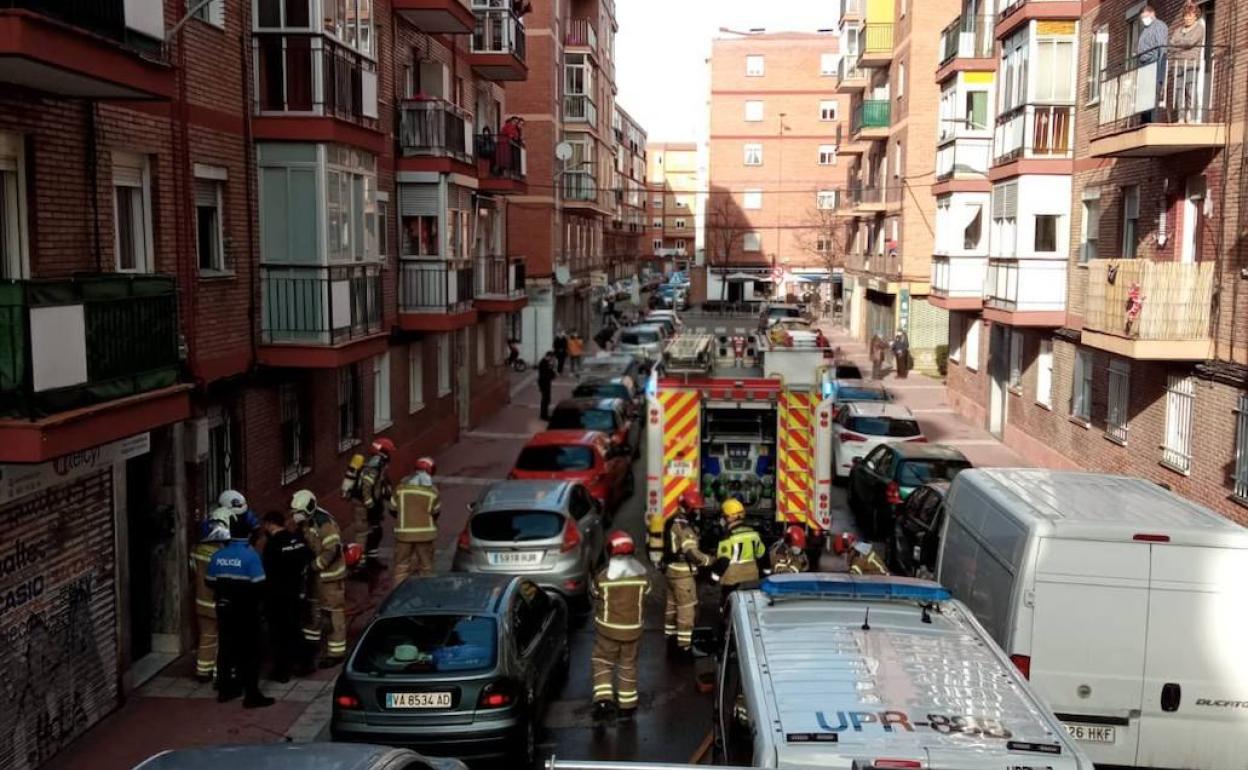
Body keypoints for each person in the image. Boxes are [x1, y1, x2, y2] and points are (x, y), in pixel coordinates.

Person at [205, 511, 274, 708]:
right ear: (249, 535)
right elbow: (260, 585)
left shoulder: (218, 555)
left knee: (226, 650)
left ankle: (225, 691)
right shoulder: (250, 556)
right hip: (247, 612)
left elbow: (209, 581)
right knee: (252, 652)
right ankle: (252, 695)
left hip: (224, 611)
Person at [590, 531, 650, 723]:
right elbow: (647, 591)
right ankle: (627, 705)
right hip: (633, 630)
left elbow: (594, 592)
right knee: (628, 665)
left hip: (607, 630)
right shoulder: (642, 576)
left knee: (603, 663)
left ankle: (603, 702)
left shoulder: (603, 577)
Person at [292, 490, 349, 667]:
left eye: (298, 512)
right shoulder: (307, 522)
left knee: (333, 614)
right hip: (315, 578)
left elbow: (332, 550)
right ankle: (311, 647)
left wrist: (313, 566)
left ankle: (336, 652)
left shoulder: (325, 524)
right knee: (313, 611)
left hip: (330, 578)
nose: (296, 516)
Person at [261, 510, 314, 682]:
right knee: (295, 629)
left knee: (278, 635)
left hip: (277, 597)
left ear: (269, 524)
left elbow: (267, 573)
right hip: (297, 593)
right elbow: (309, 559)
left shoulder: (272, 545)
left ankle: (282, 672)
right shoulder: (297, 540)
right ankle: (306, 662)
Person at [662, 492, 713, 656]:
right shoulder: (685, 527)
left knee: (671, 608)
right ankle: (684, 647)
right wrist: (710, 560)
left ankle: (670, 639)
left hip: (671, 572)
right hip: (683, 575)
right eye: (695, 509)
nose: (697, 512)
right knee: (686, 611)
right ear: (687, 508)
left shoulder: (672, 520)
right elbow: (692, 554)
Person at [190, 514, 231, 683]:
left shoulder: (195, 550)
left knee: (206, 636)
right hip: (217, 603)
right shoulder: (220, 555)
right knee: (224, 638)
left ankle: (202, 671)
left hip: (201, 602)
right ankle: (218, 671)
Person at [710, 498, 767, 610]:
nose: (722, 519)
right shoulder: (754, 534)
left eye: (724, 516)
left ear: (730, 517)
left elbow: (724, 561)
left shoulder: (727, 537)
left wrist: (713, 578)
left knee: (728, 607)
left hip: (732, 580)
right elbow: (763, 556)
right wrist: (765, 574)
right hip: (752, 579)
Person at [392, 457, 441, 585]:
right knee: (426, 567)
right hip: (425, 535)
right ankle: (425, 594)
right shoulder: (433, 491)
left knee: (401, 567)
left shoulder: (401, 488)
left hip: (404, 535)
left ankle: (398, 595)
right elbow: (436, 512)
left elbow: (392, 509)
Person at [355, 438, 396, 571]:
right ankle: (359, 566)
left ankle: (372, 561)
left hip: (371, 505)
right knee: (363, 534)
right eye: (388, 452)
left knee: (375, 532)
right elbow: (367, 485)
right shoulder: (374, 465)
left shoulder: (379, 464)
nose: (390, 455)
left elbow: (380, 485)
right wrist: (370, 505)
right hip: (363, 506)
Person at [1170, 3, 1206, 123]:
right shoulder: (1178, 30)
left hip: (1191, 64)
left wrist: (1179, 42)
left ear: (1195, 16)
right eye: (1185, 15)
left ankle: (1190, 115)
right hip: (1178, 64)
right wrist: (1181, 44)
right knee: (1179, 90)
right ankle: (1180, 117)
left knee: (1190, 89)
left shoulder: (1199, 28)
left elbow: (1191, 42)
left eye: (1190, 15)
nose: (1187, 18)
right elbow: (1171, 43)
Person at [1137, 3, 1169, 121]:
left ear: (1152, 14)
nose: (1144, 20)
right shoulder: (1145, 30)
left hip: (1154, 64)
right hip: (1144, 66)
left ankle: (1152, 121)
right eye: (1142, 18)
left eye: (1145, 16)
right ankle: (1144, 120)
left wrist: (1160, 72)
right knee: (1144, 95)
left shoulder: (1159, 26)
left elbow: (1162, 48)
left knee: (1153, 93)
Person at [538, 350, 557, 419]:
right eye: (552, 358)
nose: (552, 359)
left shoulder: (546, 362)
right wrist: (552, 374)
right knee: (545, 399)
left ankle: (545, 413)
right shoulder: (543, 363)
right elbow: (545, 374)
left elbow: (550, 372)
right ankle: (543, 415)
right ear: (548, 356)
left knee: (547, 399)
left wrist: (552, 372)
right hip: (544, 383)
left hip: (546, 383)